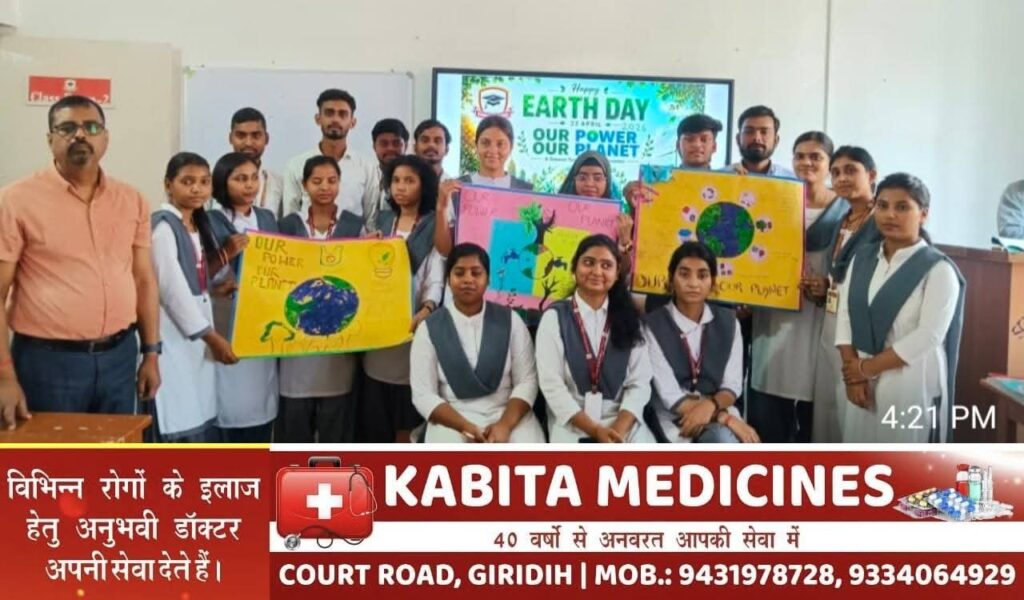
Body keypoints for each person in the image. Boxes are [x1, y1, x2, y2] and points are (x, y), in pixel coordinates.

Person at [0, 95, 160, 429]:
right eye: (67, 128)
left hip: (119, 358)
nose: (80, 135)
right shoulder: (15, 201)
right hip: (48, 364)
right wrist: (4, 377)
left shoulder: (131, 200)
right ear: (50, 139)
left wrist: (151, 353)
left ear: (105, 137)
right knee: (54, 458)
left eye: (91, 127)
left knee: (114, 456)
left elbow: (143, 280)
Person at [835, 173, 965, 443]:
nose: (890, 215)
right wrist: (854, 377)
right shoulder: (863, 258)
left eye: (902, 207)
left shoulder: (938, 269)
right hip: (859, 378)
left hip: (909, 379)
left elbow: (929, 335)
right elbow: (845, 316)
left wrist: (866, 368)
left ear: (923, 214)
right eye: (882, 206)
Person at [747, 132, 838, 443]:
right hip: (773, 318)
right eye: (800, 156)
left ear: (829, 164)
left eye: (816, 157)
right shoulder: (774, 200)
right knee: (770, 409)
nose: (806, 162)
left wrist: (828, 287)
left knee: (815, 416)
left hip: (819, 320)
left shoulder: (845, 211)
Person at [411, 243, 545, 443]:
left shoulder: (511, 320)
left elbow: (527, 381)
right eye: (459, 273)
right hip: (453, 417)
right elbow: (423, 394)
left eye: (476, 273)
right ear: (448, 280)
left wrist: (504, 426)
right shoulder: (429, 329)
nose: (468, 279)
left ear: (488, 279)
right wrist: (466, 427)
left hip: (507, 413)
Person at [149, 152, 238, 442]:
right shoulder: (164, 227)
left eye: (204, 182)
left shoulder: (195, 225)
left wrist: (212, 290)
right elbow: (171, 292)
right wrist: (213, 338)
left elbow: (188, 281)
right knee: (177, 411)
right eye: (187, 182)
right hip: (173, 335)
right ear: (168, 185)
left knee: (197, 407)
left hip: (194, 336)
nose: (197, 189)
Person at [275, 156, 364, 443]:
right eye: (317, 181)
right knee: (294, 428)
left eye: (332, 181)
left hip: (339, 342)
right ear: (304, 185)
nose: (325, 187)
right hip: (296, 342)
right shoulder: (286, 226)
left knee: (335, 427)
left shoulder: (355, 226)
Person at [535, 234, 655, 443]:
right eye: (589, 263)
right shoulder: (555, 317)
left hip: (622, 419)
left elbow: (640, 383)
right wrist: (596, 431)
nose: (597, 272)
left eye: (606, 265)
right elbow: (551, 385)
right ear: (574, 267)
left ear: (617, 273)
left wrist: (618, 430)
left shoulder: (630, 318)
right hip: (573, 420)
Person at [359, 155, 444, 443]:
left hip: (414, 329)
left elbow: (435, 277)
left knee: (406, 421)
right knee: (376, 416)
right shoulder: (382, 221)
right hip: (378, 333)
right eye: (395, 180)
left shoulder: (432, 225)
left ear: (424, 185)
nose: (401, 187)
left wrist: (427, 309)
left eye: (409, 180)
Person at [644, 242, 759, 443]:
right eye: (684, 274)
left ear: (713, 282)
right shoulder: (652, 325)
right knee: (721, 439)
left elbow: (731, 385)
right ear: (671, 279)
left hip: (718, 406)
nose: (693, 283)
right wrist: (724, 418)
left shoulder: (729, 322)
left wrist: (711, 407)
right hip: (673, 414)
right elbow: (669, 395)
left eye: (702, 275)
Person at [811, 146, 883, 440]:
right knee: (828, 410)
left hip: (862, 330)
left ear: (872, 174)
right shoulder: (842, 219)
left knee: (856, 415)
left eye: (851, 170)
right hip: (832, 324)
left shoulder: (882, 221)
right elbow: (839, 275)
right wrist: (824, 287)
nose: (841, 178)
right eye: (836, 172)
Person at [207, 152, 280, 443]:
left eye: (253, 178)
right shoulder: (209, 220)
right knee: (227, 398)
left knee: (260, 399)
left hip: (262, 321)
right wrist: (226, 254)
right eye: (239, 179)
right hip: (225, 319)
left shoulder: (267, 218)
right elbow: (196, 273)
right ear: (223, 182)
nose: (249, 185)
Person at [435, 116, 534, 257]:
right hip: (468, 268)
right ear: (476, 145)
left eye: (500, 144)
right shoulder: (456, 189)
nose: (493, 150)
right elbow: (444, 250)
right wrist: (441, 208)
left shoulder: (526, 192)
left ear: (511, 148)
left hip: (509, 267)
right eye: (485, 143)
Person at [282, 89, 377, 221]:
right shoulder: (296, 165)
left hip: (354, 234)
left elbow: (371, 220)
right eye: (329, 113)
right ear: (318, 119)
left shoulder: (367, 167)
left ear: (352, 122)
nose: (335, 119)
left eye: (342, 114)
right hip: (307, 234)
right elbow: (290, 218)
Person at [558, 150, 633, 256]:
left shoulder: (620, 221)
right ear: (574, 180)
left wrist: (625, 242)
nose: (589, 184)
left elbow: (624, 265)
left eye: (597, 178)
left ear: (607, 182)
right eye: (582, 178)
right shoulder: (554, 212)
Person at [228, 107, 284, 218]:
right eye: (241, 135)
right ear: (230, 138)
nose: (248, 143)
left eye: (256, 136)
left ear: (266, 139)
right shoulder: (213, 180)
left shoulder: (277, 182)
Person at [724, 105, 796, 177]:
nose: (756, 138)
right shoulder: (721, 177)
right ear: (738, 139)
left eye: (764, 132)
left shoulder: (792, 180)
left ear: (776, 140)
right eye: (749, 131)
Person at [366, 118, 410, 227]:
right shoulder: (366, 177)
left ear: (406, 145)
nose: (390, 148)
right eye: (384, 143)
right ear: (374, 147)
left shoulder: (416, 180)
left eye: (396, 143)